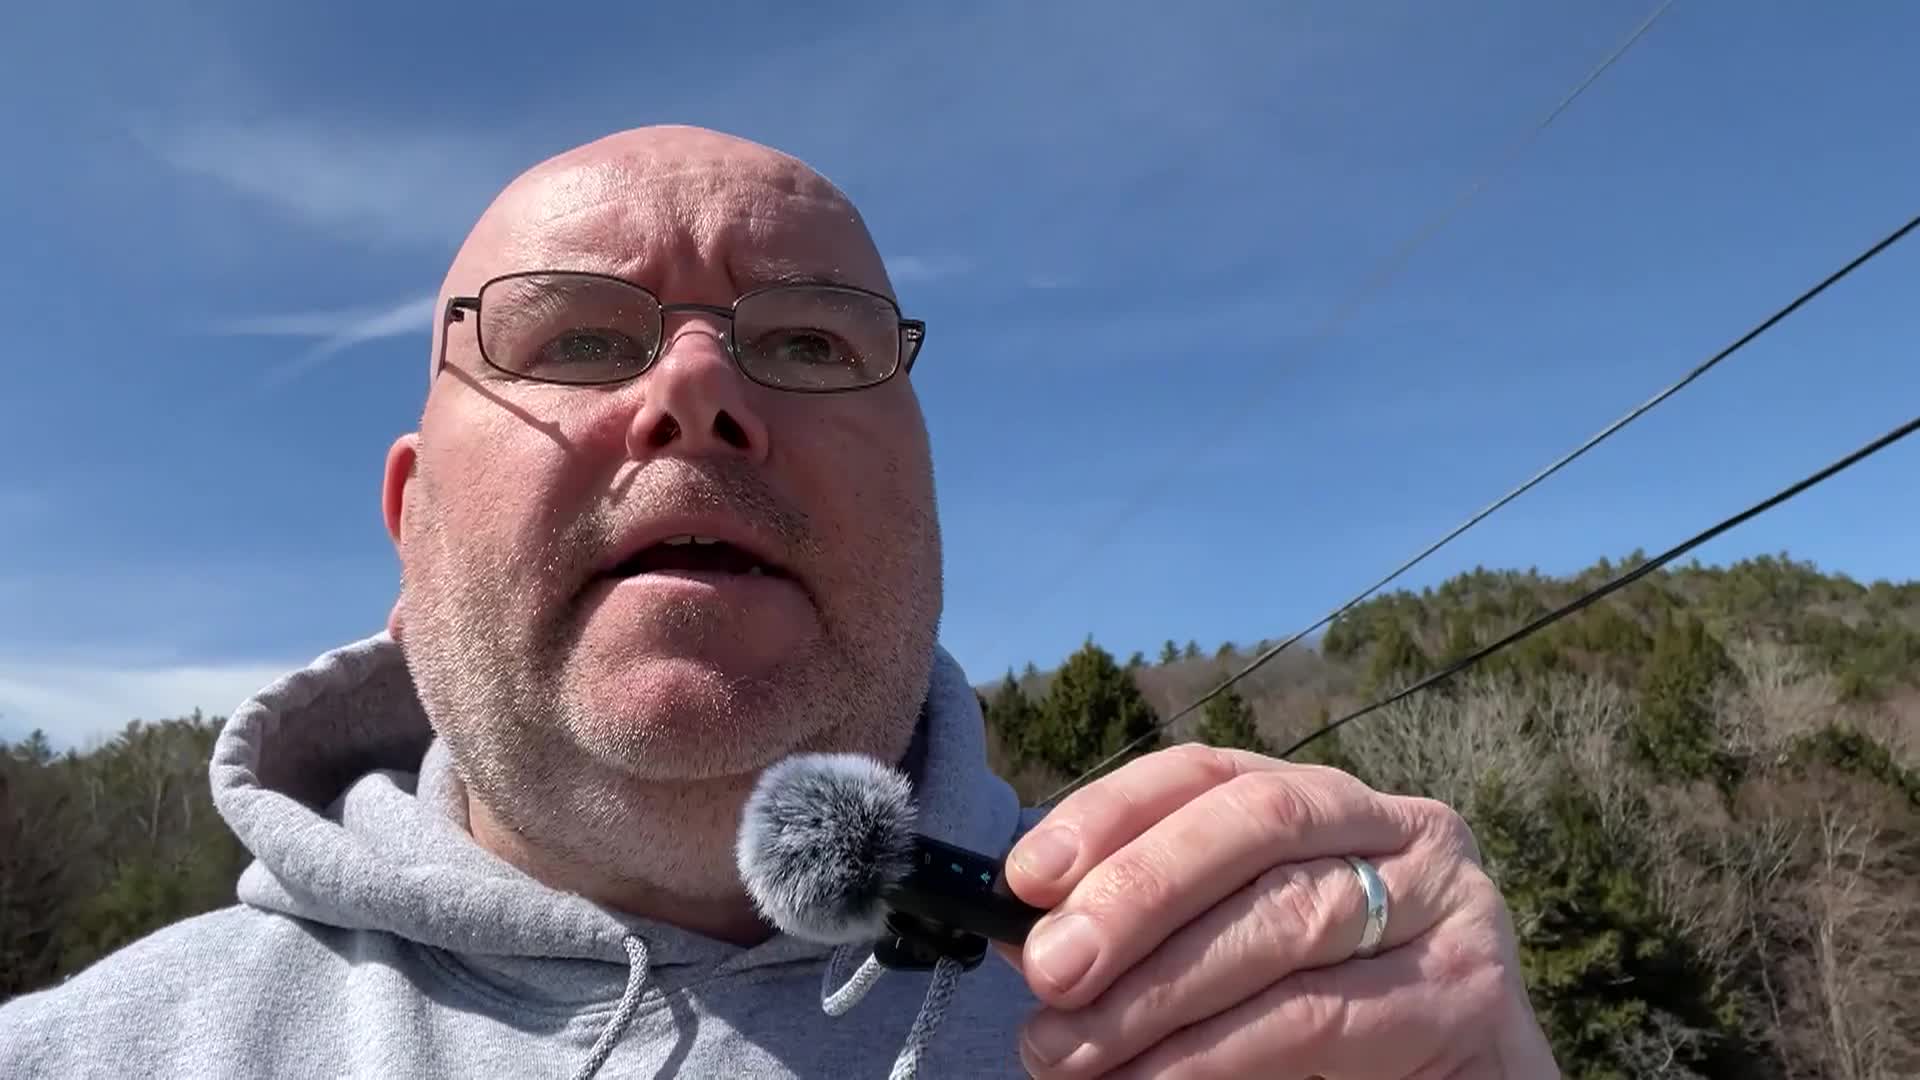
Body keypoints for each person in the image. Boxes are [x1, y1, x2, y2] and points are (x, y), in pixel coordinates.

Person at [0, 125, 1558, 1078]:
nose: (696, 393)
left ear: (929, 501)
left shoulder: (1260, 1031)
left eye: (810, 344)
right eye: (577, 341)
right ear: (412, 527)